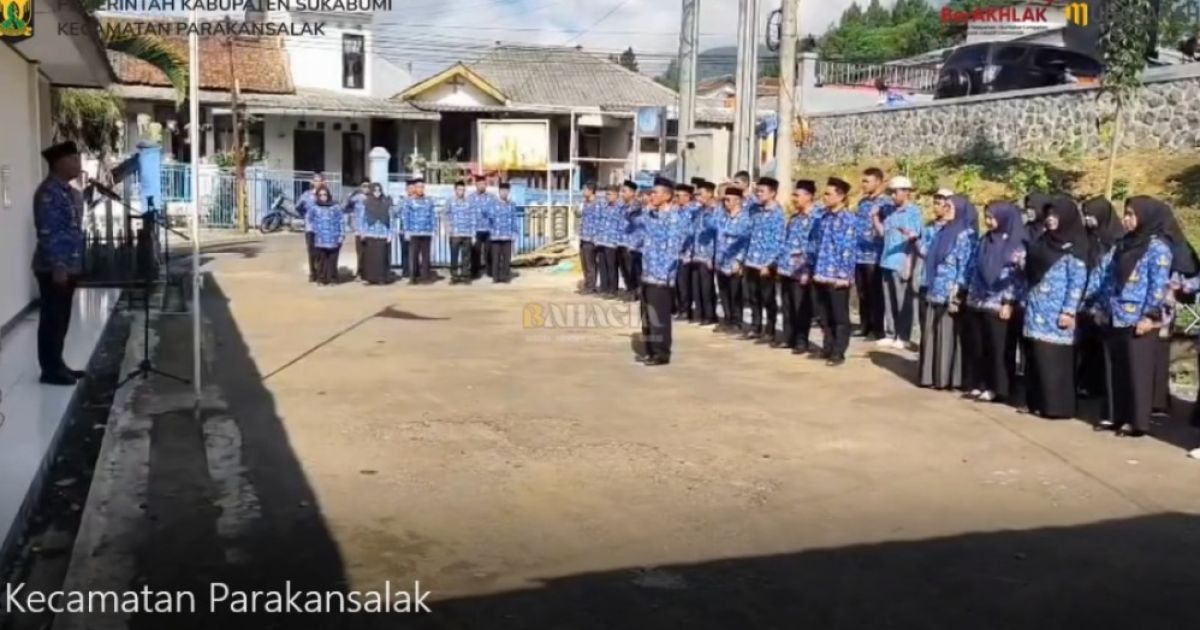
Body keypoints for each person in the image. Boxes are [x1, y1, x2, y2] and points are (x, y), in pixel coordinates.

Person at [1091, 197, 1177, 437]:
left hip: (1139, 318)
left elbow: (1158, 286)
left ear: (1145, 217)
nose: (1126, 219)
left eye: (1131, 214)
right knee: (1113, 369)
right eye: (1125, 214)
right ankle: (1114, 414)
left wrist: (1150, 316)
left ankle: (1135, 420)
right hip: (1115, 314)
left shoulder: (1157, 248)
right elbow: (1108, 277)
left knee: (1136, 371)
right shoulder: (1122, 244)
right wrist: (1101, 306)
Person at [1021, 194, 1088, 419]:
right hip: (1036, 308)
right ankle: (1036, 402)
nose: (1050, 220)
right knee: (1036, 358)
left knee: (1054, 360)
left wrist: (1069, 311)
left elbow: (1077, 281)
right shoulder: (1042, 240)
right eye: (1048, 215)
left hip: (1057, 312)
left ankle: (1056, 406)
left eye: (1055, 215)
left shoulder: (1075, 246)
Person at [32, 141, 86, 386]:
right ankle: (50, 369)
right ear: (59, 163)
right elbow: (48, 231)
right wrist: (59, 265)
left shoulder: (67, 191)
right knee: (52, 318)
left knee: (62, 318)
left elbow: (73, 224)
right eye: (74, 159)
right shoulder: (48, 193)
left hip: (68, 265)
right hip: (55, 267)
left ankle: (58, 362)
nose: (78, 164)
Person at [964, 201, 1027, 403]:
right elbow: (974, 266)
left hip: (999, 303)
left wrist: (1008, 302)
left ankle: (997, 387)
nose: (989, 222)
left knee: (998, 348)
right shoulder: (986, 240)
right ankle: (979, 383)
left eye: (992, 217)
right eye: (987, 217)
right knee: (978, 345)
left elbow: (1017, 277)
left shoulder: (1017, 243)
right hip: (978, 299)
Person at [917, 195, 976, 389]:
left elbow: (966, 266)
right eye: (945, 205)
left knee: (948, 335)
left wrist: (957, 291)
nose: (945, 208)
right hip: (935, 289)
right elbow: (931, 254)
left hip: (951, 293)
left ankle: (948, 378)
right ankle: (931, 376)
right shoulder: (943, 231)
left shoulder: (965, 235)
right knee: (932, 334)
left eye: (949, 206)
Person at [636, 177, 689, 367]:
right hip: (647, 273)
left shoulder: (675, 218)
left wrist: (665, 274)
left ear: (666, 196)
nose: (651, 196)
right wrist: (645, 207)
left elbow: (673, 249)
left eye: (654, 193)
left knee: (659, 317)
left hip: (662, 276)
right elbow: (633, 220)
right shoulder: (652, 215)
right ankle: (650, 350)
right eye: (651, 193)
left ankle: (661, 353)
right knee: (647, 316)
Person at [1078, 197, 1124, 399]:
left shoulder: (1115, 240)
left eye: (1091, 215)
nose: (1088, 219)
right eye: (1085, 215)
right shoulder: (1084, 237)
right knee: (1085, 345)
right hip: (1083, 299)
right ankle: (1084, 383)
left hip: (1104, 300)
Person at [812, 178, 859, 366]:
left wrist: (844, 275)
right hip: (822, 272)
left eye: (828, 194)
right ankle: (828, 346)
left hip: (837, 276)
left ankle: (839, 351)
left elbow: (848, 249)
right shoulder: (824, 217)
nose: (824, 197)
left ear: (840, 196)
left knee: (839, 316)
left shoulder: (848, 219)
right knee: (824, 315)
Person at [874, 176, 923, 349]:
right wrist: (875, 218)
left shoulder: (913, 213)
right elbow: (882, 234)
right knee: (889, 300)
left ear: (906, 192)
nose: (892, 196)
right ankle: (891, 332)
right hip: (887, 260)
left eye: (895, 192)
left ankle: (903, 335)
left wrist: (909, 266)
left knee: (903, 301)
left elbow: (913, 241)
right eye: (891, 192)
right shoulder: (891, 212)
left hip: (901, 261)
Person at [775, 179, 820, 353]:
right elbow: (786, 242)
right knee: (787, 305)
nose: (794, 198)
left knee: (802, 307)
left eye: (797, 195)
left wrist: (809, 269)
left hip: (802, 270)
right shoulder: (794, 218)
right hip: (787, 268)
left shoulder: (817, 218)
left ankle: (802, 340)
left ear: (809, 196)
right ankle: (788, 337)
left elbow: (815, 246)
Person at [743, 177, 786, 342]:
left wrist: (769, 264)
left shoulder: (777, 214)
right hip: (751, 260)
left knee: (768, 297)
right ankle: (756, 326)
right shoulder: (755, 210)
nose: (758, 194)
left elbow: (778, 241)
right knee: (754, 296)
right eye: (758, 191)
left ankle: (770, 329)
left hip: (766, 263)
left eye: (762, 191)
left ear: (773, 193)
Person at [855, 168, 892, 341]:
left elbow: (887, 227)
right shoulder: (862, 202)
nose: (863, 184)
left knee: (875, 294)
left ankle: (877, 329)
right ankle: (865, 325)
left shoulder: (886, 203)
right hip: (859, 254)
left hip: (875, 254)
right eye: (863, 181)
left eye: (867, 181)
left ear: (878, 182)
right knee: (862, 293)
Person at [715, 185, 752, 334]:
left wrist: (739, 260)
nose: (726, 203)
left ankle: (737, 322)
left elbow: (745, 241)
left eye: (729, 200)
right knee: (723, 291)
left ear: (738, 201)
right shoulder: (722, 216)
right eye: (725, 200)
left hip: (735, 262)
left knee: (735, 293)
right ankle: (727, 319)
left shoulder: (745, 218)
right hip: (721, 260)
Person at [689, 181, 720, 326]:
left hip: (708, 254)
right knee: (696, 286)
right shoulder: (699, 211)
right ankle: (699, 313)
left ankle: (710, 315)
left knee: (707, 287)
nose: (697, 197)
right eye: (696, 195)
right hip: (696, 253)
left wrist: (713, 257)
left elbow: (716, 230)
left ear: (709, 194)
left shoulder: (716, 210)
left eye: (700, 194)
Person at [359, 183, 394, 285]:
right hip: (370, 233)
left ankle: (382, 278)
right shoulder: (366, 203)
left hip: (383, 233)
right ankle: (370, 278)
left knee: (382, 257)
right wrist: (362, 232)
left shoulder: (386, 203)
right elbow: (362, 219)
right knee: (370, 258)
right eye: (375, 190)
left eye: (379, 190)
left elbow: (391, 219)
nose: (377, 193)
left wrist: (390, 234)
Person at [309, 185, 344, 286]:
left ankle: (333, 279)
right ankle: (321, 279)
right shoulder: (314, 207)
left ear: (328, 195)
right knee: (322, 260)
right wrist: (315, 229)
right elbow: (309, 219)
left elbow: (341, 221)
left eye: (325, 194)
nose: (323, 196)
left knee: (332, 260)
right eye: (320, 195)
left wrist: (341, 235)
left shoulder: (335, 207)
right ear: (317, 196)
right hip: (320, 239)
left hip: (334, 238)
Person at [673, 183, 698, 320]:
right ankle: (679, 308)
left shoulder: (694, 210)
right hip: (676, 252)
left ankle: (686, 310)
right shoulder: (677, 210)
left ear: (688, 196)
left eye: (680, 196)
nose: (678, 198)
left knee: (684, 284)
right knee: (677, 283)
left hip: (688, 253)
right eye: (677, 196)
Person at [403, 178, 435, 284]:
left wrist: (433, 229)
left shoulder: (429, 200)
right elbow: (406, 216)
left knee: (426, 256)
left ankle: (425, 277)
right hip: (414, 232)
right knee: (413, 256)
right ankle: (413, 278)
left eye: (422, 187)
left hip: (426, 232)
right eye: (418, 187)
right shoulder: (409, 201)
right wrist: (407, 230)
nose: (420, 189)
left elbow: (432, 216)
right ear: (415, 188)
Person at [617, 181, 643, 301]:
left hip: (633, 243)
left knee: (632, 270)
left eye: (625, 191)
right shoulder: (623, 206)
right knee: (624, 270)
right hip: (622, 241)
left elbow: (636, 222)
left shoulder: (637, 206)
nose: (622, 194)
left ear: (633, 193)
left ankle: (635, 292)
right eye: (622, 191)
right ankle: (629, 290)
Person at [596, 185, 622, 298]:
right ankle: (604, 288)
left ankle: (613, 289)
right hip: (602, 240)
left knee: (612, 266)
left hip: (613, 242)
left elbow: (621, 226)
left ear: (616, 195)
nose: (607, 197)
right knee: (602, 265)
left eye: (610, 194)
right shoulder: (604, 207)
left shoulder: (620, 208)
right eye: (606, 194)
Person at [447, 180, 475, 284]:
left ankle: (465, 276)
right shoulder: (450, 201)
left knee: (466, 256)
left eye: (463, 190)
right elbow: (446, 215)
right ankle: (454, 276)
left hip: (467, 233)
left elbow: (472, 217)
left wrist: (473, 233)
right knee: (454, 256)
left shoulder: (468, 202)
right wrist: (447, 229)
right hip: (455, 233)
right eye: (459, 189)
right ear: (455, 190)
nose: (461, 192)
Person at [488, 183, 517, 283]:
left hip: (507, 235)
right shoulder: (493, 203)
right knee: (495, 258)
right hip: (496, 235)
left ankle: (505, 277)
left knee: (506, 258)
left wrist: (514, 233)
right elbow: (489, 217)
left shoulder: (512, 204)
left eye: (506, 191)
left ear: (508, 192)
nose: (504, 193)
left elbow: (514, 219)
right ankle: (495, 277)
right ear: (499, 192)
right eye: (502, 191)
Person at [299, 172, 325, 282]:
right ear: (312, 182)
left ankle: (320, 273)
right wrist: (305, 216)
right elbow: (298, 206)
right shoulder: (306, 195)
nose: (317, 182)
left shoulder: (324, 194)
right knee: (311, 251)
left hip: (322, 227)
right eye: (315, 180)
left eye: (319, 180)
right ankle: (312, 273)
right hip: (310, 228)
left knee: (321, 250)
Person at [468, 176, 495, 279]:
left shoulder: (492, 197)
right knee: (476, 252)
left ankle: (490, 271)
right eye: (479, 184)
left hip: (488, 229)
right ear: (476, 185)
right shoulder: (470, 198)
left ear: (486, 185)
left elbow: (496, 211)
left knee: (489, 251)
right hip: (476, 229)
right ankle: (475, 272)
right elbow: (468, 212)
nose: (481, 186)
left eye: (483, 184)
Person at [578, 182, 602, 294]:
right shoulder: (585, 203)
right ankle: (587, 284)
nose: (583, 192)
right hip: (583, 236)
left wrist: (596, 238)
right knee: (584, 263)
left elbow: (598, 222)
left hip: (591, 238)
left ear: (591, 190)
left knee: (590, 263)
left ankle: (591, 286)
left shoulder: (596, 204)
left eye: (585, 190)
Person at [347, 180, 370, 280]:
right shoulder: (356, 198)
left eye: (368, 186)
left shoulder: (372, 198)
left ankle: (368, 273)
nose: (366, 188)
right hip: (359, 231)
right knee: (360, 253)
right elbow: (345, 207)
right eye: (364, 186)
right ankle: (359, 273)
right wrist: (351, 194)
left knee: (369, 253)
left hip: (370, 230)